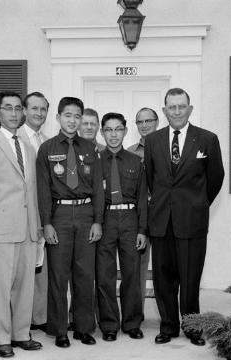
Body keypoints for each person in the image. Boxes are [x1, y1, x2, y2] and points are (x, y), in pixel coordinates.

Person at [144, 88, 224, 346]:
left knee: (190, 278)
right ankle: (168, 327)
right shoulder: (153, 140)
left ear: (189, 109)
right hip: (162, 222)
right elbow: (151, 180)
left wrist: (199, 204)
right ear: (164, 110)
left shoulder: (207, 139)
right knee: (163, 278)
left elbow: (216, 178)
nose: (176, 111)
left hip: (192, 221)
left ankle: (192, 327)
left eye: (181, 106)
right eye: (171, 107)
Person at [0, 91, 42, 358]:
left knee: (25, 284)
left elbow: (31, 190)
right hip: (0, 227)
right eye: (8, 108)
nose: (14, 113)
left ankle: (21, 334)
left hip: (26, 227)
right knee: (1, 285)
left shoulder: (27, 147)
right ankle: (2, 339)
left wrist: (36, 224)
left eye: (17, 109)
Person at [36, 96, 104, 348]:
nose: (73, 120)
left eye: (77, 116)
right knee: (58, 275)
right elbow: (43, 189)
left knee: (85, 275)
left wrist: (98, 221)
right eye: (68, 115)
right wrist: (47, 223)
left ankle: (84, 328)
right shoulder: (47, 149)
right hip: (60, 216)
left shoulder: (90, 149)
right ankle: (60, 329)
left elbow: (98, 188)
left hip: (86, 215)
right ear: (58, 117)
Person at [96, 112, 147, 341]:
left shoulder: (136, 161)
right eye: (108, 129)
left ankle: (132, 323)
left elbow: (143, 199)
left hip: (129, 219)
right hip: (105, 220)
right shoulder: (95, 161)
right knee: (105, 275)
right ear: (102, 132)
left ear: (126, 131)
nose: (113, 134)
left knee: (132, 274)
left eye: (118, 129)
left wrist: (142, 230)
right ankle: (108, 324)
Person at [18, 91, 49, 333]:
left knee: (41, 270)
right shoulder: (15, 139)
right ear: (25, 111)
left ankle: (38, 318)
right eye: (34, 108)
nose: (39, 113)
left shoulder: (46, 141)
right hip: (21, 217)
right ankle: (20, 322)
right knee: (21, 273)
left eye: (43, 109)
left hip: (44, 215)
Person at [127, 107, 159, 319]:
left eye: (148, 120)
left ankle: (168, 314)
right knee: (138, 266)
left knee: (166, 266)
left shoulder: (167, 148)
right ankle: (136, 314)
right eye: (140, 122)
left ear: (157, 122)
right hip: (140, 217)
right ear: (136, 125)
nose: (145, 125)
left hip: (164, 215)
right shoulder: (130, 153)